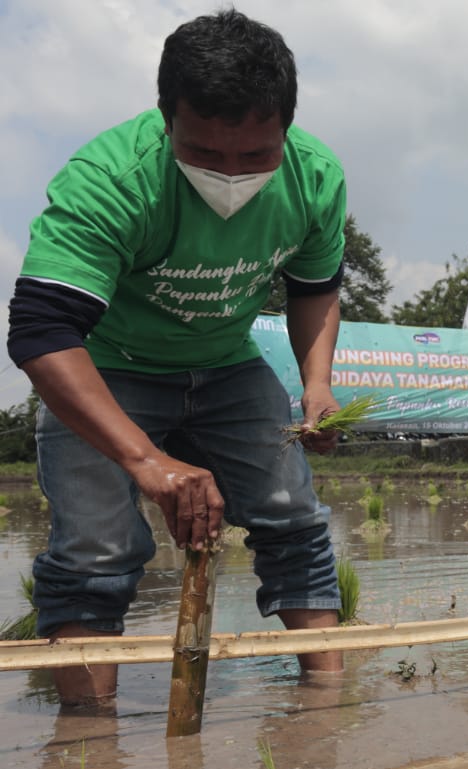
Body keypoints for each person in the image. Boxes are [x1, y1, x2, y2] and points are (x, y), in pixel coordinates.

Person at [6, 9, 348, 708]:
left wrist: (318, 383)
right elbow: (42, 334)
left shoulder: (314, 179)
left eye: (255, 156)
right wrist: (145, 461)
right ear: (167, 120)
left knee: (293, 518)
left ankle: (327, 709)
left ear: (285, 126)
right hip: (108, 371)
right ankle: (86, 742)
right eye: (203, 153)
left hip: (228, 365)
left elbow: (315, 290)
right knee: (93, 552)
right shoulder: (111, 180)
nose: (230, 176)